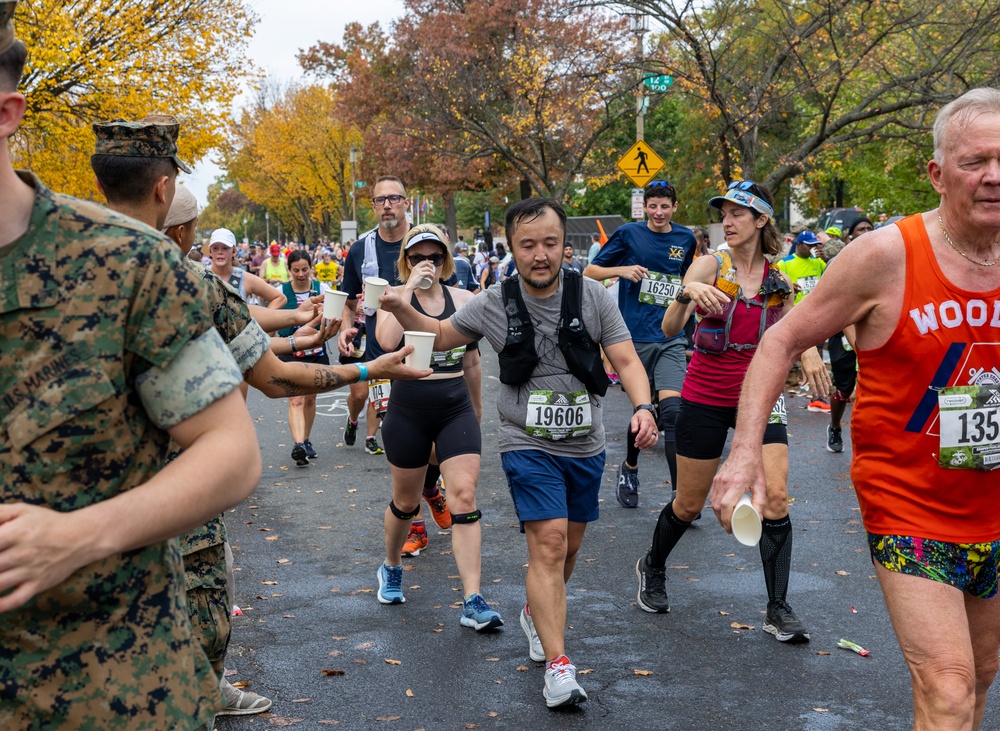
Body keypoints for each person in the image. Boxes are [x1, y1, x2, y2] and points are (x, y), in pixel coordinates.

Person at [0, 17, 264, 727]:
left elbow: (231, 451)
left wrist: (79, 535)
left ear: (6, 114)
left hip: (113, 689)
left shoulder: (125, 265)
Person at [712, 88, 1000, 730]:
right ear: (936, 173)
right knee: (948, 691)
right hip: (911, 507)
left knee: (978, 681)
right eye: (975, 161)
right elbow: (779, 340)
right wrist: (744, 455)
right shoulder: (886, 255)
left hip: (995, 505)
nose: (994, 176)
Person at [380, 198, 658, 709]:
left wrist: (644, 407)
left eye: (550, 243)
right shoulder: (494, 300)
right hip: (525, 439)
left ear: (565, 246)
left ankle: (536, 611)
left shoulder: (593, 295)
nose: (540, 255)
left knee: (569, 546)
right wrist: (401, 305)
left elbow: (625, 358)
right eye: (528, 245)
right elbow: (443, 335)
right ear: (512, 248)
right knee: (549, 542)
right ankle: (558, 666)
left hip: (585, 443)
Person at [634, 180, 826, 648]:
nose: (728, 221)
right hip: (703, 396)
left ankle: (777, 606)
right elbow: (668, 327)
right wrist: (688, 294)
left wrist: (811, 355)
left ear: (761, 220)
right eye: (724, 213)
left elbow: (794, 331)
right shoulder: (710, 263)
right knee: (690, 504)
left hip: (760, 401)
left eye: (739, 213)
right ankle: (652, 567)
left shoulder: (781, 281)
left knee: (776, 499)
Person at [373, 224, 502, 631]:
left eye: (433, 256)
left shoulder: (464, 298)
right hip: (408, 407)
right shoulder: (393, 297)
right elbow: (386, 339)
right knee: (406, 502)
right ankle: (391, 567)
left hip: (454, 406)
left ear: (445, 259)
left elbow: (472, 362)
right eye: (416, 256)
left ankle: (472, 599)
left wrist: (477, 410)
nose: (425, 262)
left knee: (463, 495)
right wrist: (408, 288)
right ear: (405, 261)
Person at [584, 179, 696, 508]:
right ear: (644, 207)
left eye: (665, 206)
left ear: (675, 207)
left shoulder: (685, 238)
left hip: (671, 338)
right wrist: (624, 270)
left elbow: (690, 279)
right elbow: (590, 271)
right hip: (632, 339)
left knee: (674, 413)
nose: (659, 212)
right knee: (643, 412)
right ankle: (630, 467)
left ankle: (680, 496)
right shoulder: (629, 234)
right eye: (653, 205)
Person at [337, 176, 414, 456]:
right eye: (381, 200)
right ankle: (355, 420)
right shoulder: (359, 249)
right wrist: (346, 328)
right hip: (377, 348)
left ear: (406, 203)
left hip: (420, 344)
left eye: (394, 198)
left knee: (414, 418)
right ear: (373, 206)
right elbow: (347, 302)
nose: (388, 206)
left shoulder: (426, 241)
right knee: (376, 407)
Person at [823, 216, 874, 453]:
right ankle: (835, 427)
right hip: (844, 336)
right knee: (844, 388)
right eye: (860, 229)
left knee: (874, 386)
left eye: (869, 228)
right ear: (850, 235)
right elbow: (840, 311)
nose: (865, 232)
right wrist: (856, 344)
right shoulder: (839, 263)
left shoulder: (884, 260)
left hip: (873, 331)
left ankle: (869, 438)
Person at [276, 250, 330, 466]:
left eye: (305, 269)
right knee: (295, 398)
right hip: (290, 352)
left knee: (310, 398)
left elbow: (335, 311)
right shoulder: (281, 292)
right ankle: (298, 444)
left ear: (311, 267)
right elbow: (272, 320)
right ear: (289, 270)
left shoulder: (321, 289)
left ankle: (306, 440)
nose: (301, 274)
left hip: (315, 353)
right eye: (296, 270)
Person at [778, 230, 830, 413]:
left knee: (818, 357)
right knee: (786, 358)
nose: (812, 249)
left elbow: (831, 280)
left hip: (816, 317)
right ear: (799, 245)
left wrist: (827, 258)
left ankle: (819, 397)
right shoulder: (784, 263)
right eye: (808, 245)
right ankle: (774, 396)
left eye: (814, 245)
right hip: (793, 317)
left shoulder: (818, 262)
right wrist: (788, 287)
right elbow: (775, 285)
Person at [208, 227, 285, 308]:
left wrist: (259, 318)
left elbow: (280, 298)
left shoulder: (244, 278)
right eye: (215, 248)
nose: (220, 252)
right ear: (210, 251)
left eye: (225, 248)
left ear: (234, 251)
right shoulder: (200, 275)